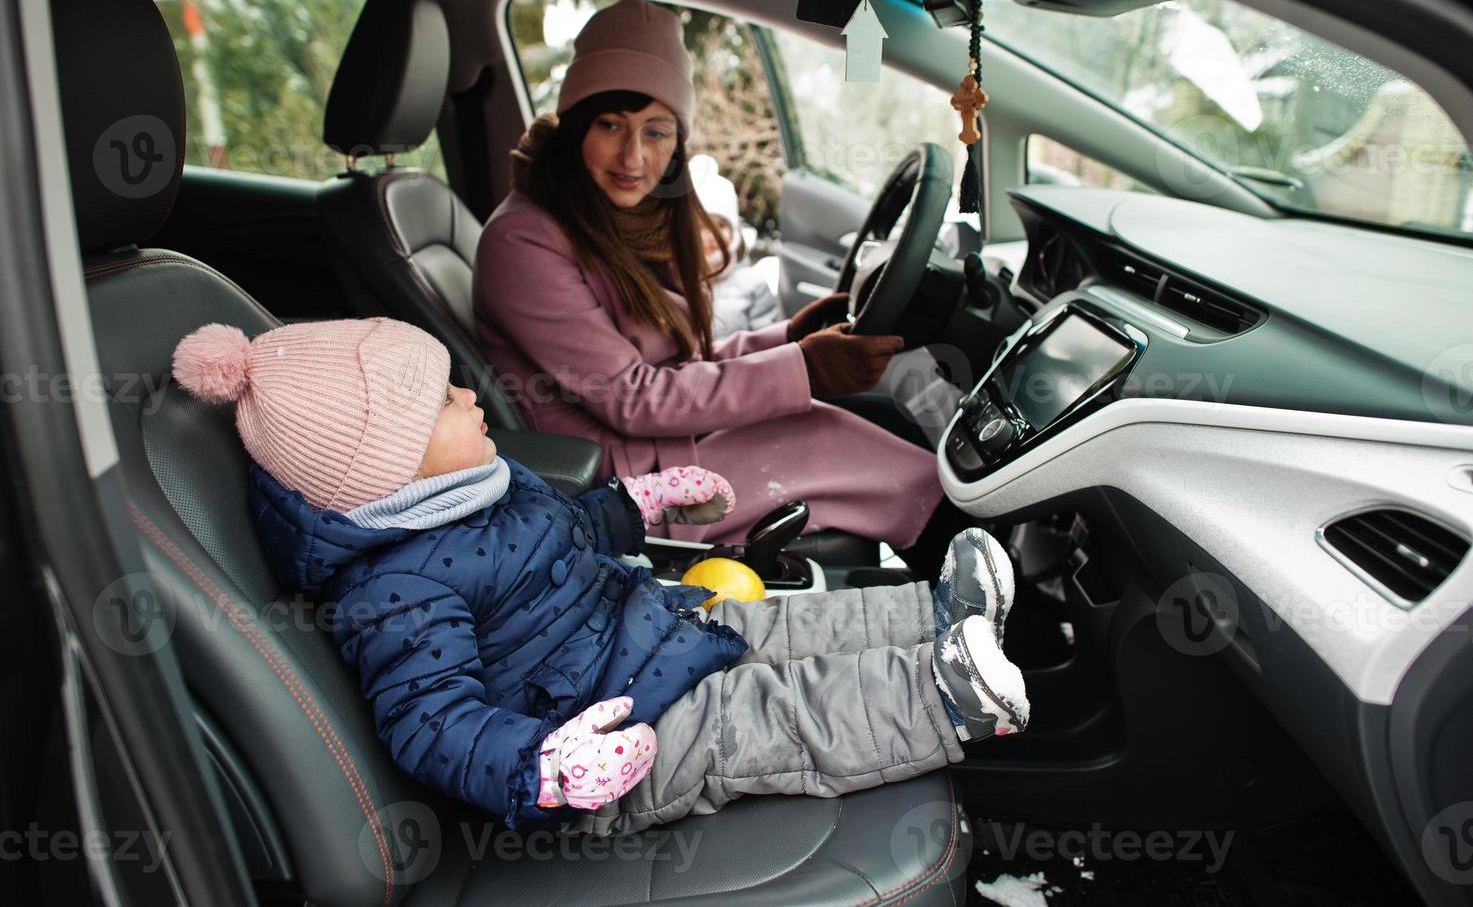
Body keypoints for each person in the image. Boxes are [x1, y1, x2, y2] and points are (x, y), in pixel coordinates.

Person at [171, 317, 1029, 835]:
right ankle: (941, 698)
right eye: (441, 401)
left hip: (637, 628)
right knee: (764, 715)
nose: (472, 399)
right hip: (604, 735)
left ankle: (933, 611)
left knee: (772, 630)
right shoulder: (392, 591)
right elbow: (429, 724)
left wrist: (639, 504)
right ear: (387, 465)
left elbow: (564, 538)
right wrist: (542, 771)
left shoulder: (474, 493)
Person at [473, 0, 966, 572]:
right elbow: (634, 396)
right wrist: (803, 368)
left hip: (662, 440)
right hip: (623, 481)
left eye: (656, 132)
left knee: (881, 425)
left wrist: (786, 339)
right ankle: (999, 620)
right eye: (611, 125)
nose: (634, 156)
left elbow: (673, 366)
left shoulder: (611, 213)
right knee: (894, 468)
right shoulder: (524, 241)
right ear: (576, 124)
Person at [688, 154, 781, 338]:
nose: (711, 236)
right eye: (701, 227)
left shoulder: (752, 285)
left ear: (734, 232)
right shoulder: (672, 287)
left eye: (720, 226)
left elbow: (768, 343)